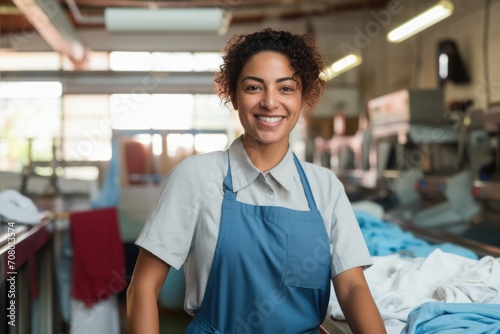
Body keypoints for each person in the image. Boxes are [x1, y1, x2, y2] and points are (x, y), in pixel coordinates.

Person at [126, 28, 386, 334]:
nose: (270, 102)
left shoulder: (324, 187)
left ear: (303, 98)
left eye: (286, 88)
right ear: (234, 97)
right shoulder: (196, 177)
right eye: (253, 88)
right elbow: (142, 287)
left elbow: (353, 287)